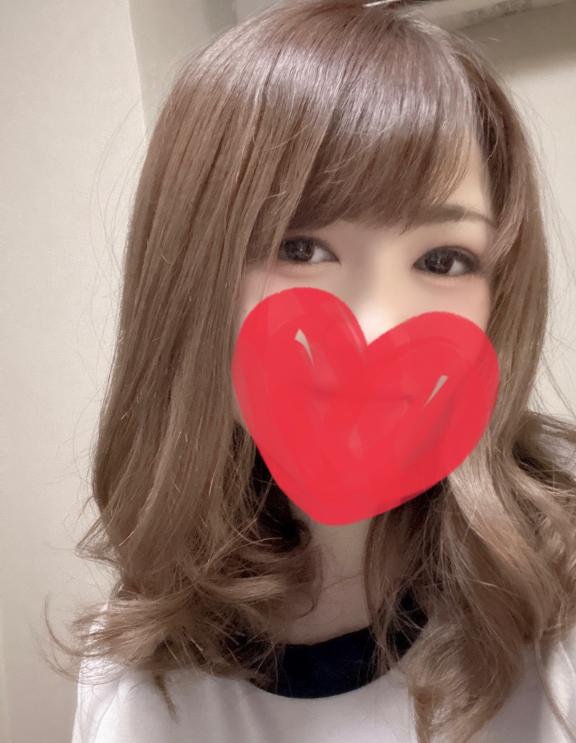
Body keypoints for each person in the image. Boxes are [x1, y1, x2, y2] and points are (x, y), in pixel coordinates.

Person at [52, 0, 576, 740]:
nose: (377, 329)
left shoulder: (556, 613)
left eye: (443, 259)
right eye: (299, 249)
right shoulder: (136, 673)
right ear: (187, 277)